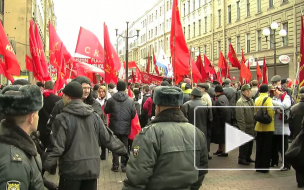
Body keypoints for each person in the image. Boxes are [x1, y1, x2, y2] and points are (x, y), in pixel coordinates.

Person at [43, 82, 128, 190]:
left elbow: (56, 148)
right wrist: (125, 152)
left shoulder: (62, 118)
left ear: (68, 97)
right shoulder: (94, 116)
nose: (62, 98)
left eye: (63, 95)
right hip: (91, 170)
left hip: (70, 171)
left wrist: (43, 168)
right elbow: (109, 139)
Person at [122, 86, 208, 190]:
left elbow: (136, 177)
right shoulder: (197, 133)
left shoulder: (148, 134)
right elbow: (202, 169)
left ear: (157, 107)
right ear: (179, 106)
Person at [0, 85, 44, 189]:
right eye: (37, 113)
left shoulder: (15, 144)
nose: (38, 117)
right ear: (31, 118)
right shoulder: (15, 163)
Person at [104, 80, 136, 172]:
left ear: (117, 88)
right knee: (125, 146)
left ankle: (115, 165)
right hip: (126, 127)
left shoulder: (111, 100)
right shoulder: (130, 100)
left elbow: (106, 111)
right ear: (125, 88)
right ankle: (124, 165)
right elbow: (133, 114)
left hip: (114, 126)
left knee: (115, 145)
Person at [181, 87, 213, 159]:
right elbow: (210, 118)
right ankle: (204, 155)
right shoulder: (206, 104)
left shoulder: (186, 105)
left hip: (190, 128)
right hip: (203, 128)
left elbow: (183, 118)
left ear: (192, 95)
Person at [254, 84, 275, 173]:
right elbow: (270, 112)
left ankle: (258, 166)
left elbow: (256, 111)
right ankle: (264, 167)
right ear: (267, 91)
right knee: (266, 147)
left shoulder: (257, 99)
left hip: (259, 126)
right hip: (268, 127)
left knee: (259, 147)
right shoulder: (268, 99)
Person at [271, 83, 291, 171]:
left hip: (283, 127)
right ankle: (274, 162)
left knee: (284, 147)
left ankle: (286, 164)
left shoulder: (286, 97)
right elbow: (272, 108)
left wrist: (274, 104)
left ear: (280, 90)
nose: (274, 93)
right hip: (275, 126)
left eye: (275, 91)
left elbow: (285, 106)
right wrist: (277, 108)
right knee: (274, 146)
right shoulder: (274, 98)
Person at [38, 80, 61, 150]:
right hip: (52, 127)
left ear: (44, 86)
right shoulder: (57, 99)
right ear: (53, 87)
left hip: (40, 126)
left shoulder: (40, 97)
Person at [236, 84, 255, 165]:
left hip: (251, 125)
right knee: (244, 143)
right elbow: (240, 117)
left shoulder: (251, 101)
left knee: (250, 143)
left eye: (249, 91)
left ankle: (248, 156)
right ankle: (242, 158)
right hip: (245, 126)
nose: (249, 92)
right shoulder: (240, 102)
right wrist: (242, 128)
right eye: (247, 91)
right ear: (243, 92)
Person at [212, 85, 231, 157]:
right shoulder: (223, 97)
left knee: (223, 137)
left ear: (217, 92)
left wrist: (223, 121)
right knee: (221, 136)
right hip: (222, 120)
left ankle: (224, 151)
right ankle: (220, 150)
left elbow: (224, 111)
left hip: (221, 121)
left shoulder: (220, 99)